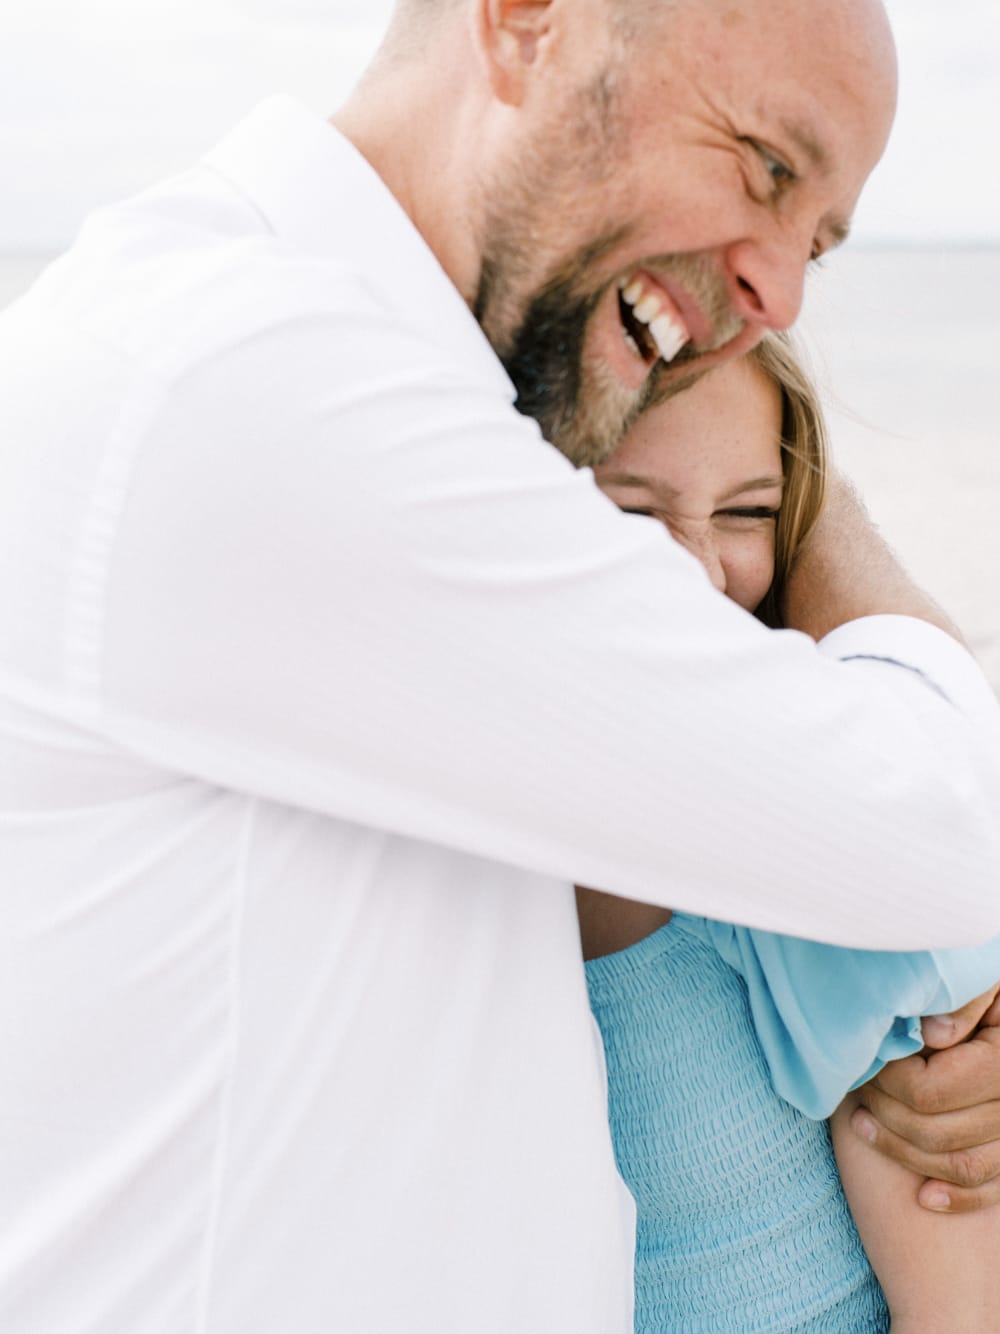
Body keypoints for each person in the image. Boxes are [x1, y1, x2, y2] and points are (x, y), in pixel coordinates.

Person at [1, 1, 1000, 1330]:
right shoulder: (261, 387)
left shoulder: (283, 355)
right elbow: (943, 826)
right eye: (765, 166)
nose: (781, 297)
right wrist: (808, 504)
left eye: (815, 242)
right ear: (527, 23)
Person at [578, 333, 1000, 1331]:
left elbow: (957, 1303)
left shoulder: (801, 812)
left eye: (748, 513)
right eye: (630, 512)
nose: (696, 571)